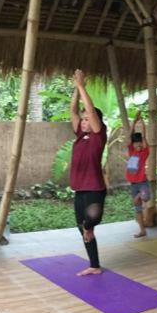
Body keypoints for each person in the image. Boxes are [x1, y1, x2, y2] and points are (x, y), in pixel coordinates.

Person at [69, 69, 107, 276]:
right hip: (79, 190)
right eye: (83, 120)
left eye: (87, 120)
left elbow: (91, 113)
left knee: (92, 219)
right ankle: (94, 265)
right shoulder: (80, 135)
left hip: (94, 188)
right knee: (82, 229)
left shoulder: (98, 137)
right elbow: (73, 111)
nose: (84, 121)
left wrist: (82, 86)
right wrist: (76, 89)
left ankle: (88, 226)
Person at [126, 111, 152, 238]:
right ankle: (142, 230)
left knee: (145, 198)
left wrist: (142, 123)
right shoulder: (131, 151)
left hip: (142, 182)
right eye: (136, 143)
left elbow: (144, 137)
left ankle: (139, 196)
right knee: (137, 208)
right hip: (133, 184)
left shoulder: (144, 153)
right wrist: (134, 122)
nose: (139, 144)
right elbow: (129, 137)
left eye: (140, 143)